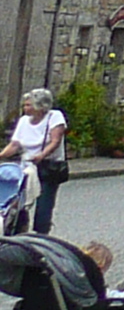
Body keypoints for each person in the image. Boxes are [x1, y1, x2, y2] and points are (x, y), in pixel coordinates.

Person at [4, 87, 69, 233]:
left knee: (43, 206)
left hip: (48, 167)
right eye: (25, 105)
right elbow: (15, 145)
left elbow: (55, 141)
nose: (25, 108)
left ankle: (41, 236)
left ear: (41, 106)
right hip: (26, 167)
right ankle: (18, 232)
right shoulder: (24, 121)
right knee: (18, 204)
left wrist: (42, 155)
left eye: (29, 105)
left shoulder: (55, 117)